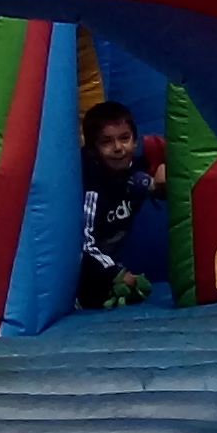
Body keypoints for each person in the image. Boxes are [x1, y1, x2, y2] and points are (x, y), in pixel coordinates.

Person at [76, 101, 166, 311]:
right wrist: (116, 273)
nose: (118, 148)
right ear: (93, 149)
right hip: (87, 272)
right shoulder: (93, 187)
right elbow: (85, 244)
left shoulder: (136, 171)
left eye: (125, 138)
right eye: (106, 142)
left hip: (109, 264)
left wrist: (162, 178)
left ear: (134, 141)